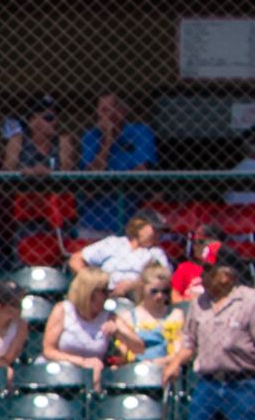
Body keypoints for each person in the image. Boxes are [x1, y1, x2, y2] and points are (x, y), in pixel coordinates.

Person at [165, 248, 255, 420]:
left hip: (242, 384)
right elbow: (189, 342)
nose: (202, 275)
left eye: (208, 270)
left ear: (226, 275)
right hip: (207, 384)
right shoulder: (199, 303)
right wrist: (175, 363)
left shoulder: (250, 300)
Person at [77, 92, 157, 240]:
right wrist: (108, 138)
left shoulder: (140, 132)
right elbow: (92, 175)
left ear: (123, 111)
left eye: (110, 109)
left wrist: (106, 181)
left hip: (131, 220)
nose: (104, 115)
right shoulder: (91, 136)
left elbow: (141, 172)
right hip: (94, 221)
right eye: (102, 110)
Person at [43, 267, 137, 388]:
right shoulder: (63, 310)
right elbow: (48, 350)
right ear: (89, 293)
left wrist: (119, 332)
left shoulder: (109, 317)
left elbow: (139, 347)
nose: (108, 295)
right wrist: (82, 362)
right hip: (60, 371)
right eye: (104, 291)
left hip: (95, 373)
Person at [71, 211, 169, 298]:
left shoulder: (156, 253)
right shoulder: (114, 243)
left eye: (160, 231)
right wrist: (94, 282)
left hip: (135, 298)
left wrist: (134, 285)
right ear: (139, 225)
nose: (158, 234)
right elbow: (76, 259)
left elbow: (165, 278)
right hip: (104, 293)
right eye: (155, 229)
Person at [126, 268, 182, 361]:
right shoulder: (128, 317)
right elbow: (123, 354)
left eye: (164, 291)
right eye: (154, 291)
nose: (160, 296)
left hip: (166, 368)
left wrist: (155, 363)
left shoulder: (175, 315)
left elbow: (177, 353)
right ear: (142, 288)